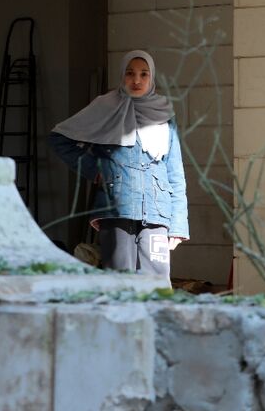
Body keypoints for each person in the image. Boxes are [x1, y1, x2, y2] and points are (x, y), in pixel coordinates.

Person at [48, 50, 189, 281]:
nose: (137, 80)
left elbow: (175, 173)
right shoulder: (105, 108)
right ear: (121, 76)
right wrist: (97, 170)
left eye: (144, 74)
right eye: (130, 73)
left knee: (157, 281)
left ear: (151, 78)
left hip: (157, 212)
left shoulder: (164, 116)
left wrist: (178, 225)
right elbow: (60, 139)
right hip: (115, 208)